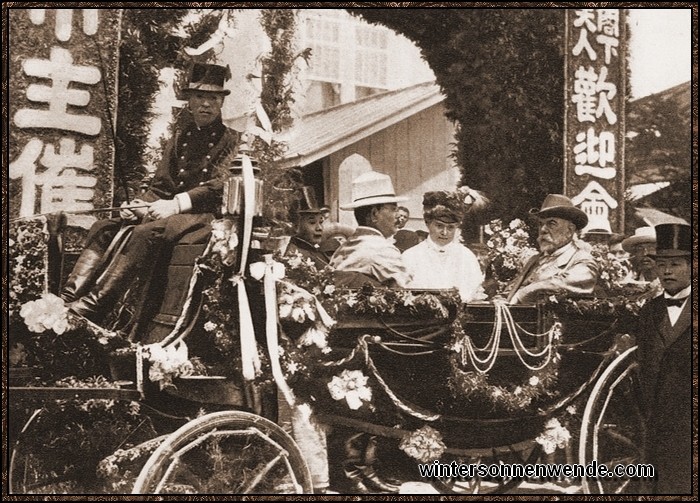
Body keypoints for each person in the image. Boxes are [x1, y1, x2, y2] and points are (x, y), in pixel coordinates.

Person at [61, 63, 241, 323]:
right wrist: (140, 204)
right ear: (189, 101)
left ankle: (93, 306)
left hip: (202, 219)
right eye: (200, 97)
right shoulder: (180, 137)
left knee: (145, 232)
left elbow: (220, 185)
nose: (206, 104)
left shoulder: (233, 140)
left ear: (221, 103)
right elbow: (161, 186)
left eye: (213, 98)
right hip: (172, 213)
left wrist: (177, 204)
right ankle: (67, 297)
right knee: (104, 226)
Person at [635, 223, 692, 494]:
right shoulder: (650, 311)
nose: (667, 271)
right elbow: (643, 362)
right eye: (662, 264)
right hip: (656, 426)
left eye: (676, 264)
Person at [506, 194, 598, 305]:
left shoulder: (582, 259)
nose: (543, 230)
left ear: (570, 230)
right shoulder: (535, 260)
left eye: (551, 224)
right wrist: (500, 299)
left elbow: (562, 284)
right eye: (541, 224)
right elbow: (511, 290)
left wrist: (522, 294)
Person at [402, 188, 486, 302]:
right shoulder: (411, 256)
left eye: (451, 227)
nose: (445, 232)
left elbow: (476, 296)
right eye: (439, 226)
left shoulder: (467, 257)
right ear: (428, 223)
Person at [329, 171, 411, 289]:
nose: (397, 216)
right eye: (393, 209)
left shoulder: (343, 248)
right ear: (374, 214)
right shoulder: (382, 250)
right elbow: (405, 290)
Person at [284, 186, 330, 269]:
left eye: (321, 222)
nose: (319, 228)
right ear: (295, 225)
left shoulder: (315, 250)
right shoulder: (295, 256)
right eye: (312, 222)